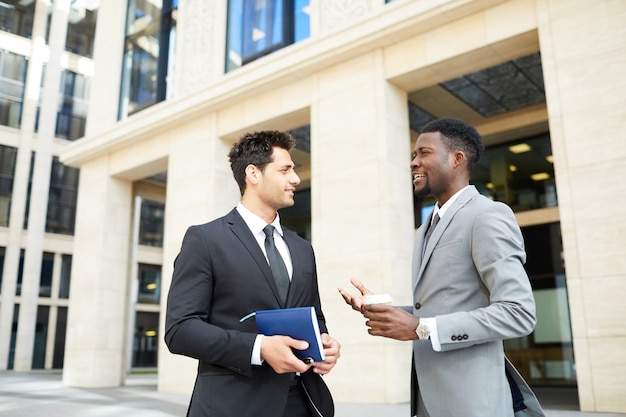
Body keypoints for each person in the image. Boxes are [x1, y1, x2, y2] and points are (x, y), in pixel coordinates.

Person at [339, 118, 544, 417]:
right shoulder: (424, 229)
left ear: (457, 159)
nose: (413, 163)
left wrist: (420, 327)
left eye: (424, 153)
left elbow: (518, 313)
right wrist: (389, 312)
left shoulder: (487, 216)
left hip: (472, 403)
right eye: (413, 155)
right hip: (426, 400)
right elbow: (443, 306)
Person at [165, 130, 340, 417]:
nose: (295, 179)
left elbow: (314, 315)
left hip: (304, 402)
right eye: (285, 170)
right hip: (233, 404)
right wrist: (259, 347)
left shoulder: (302, 247)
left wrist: (325, 343)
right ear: (253, 174)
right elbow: (180, 330)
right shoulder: (205, 240)